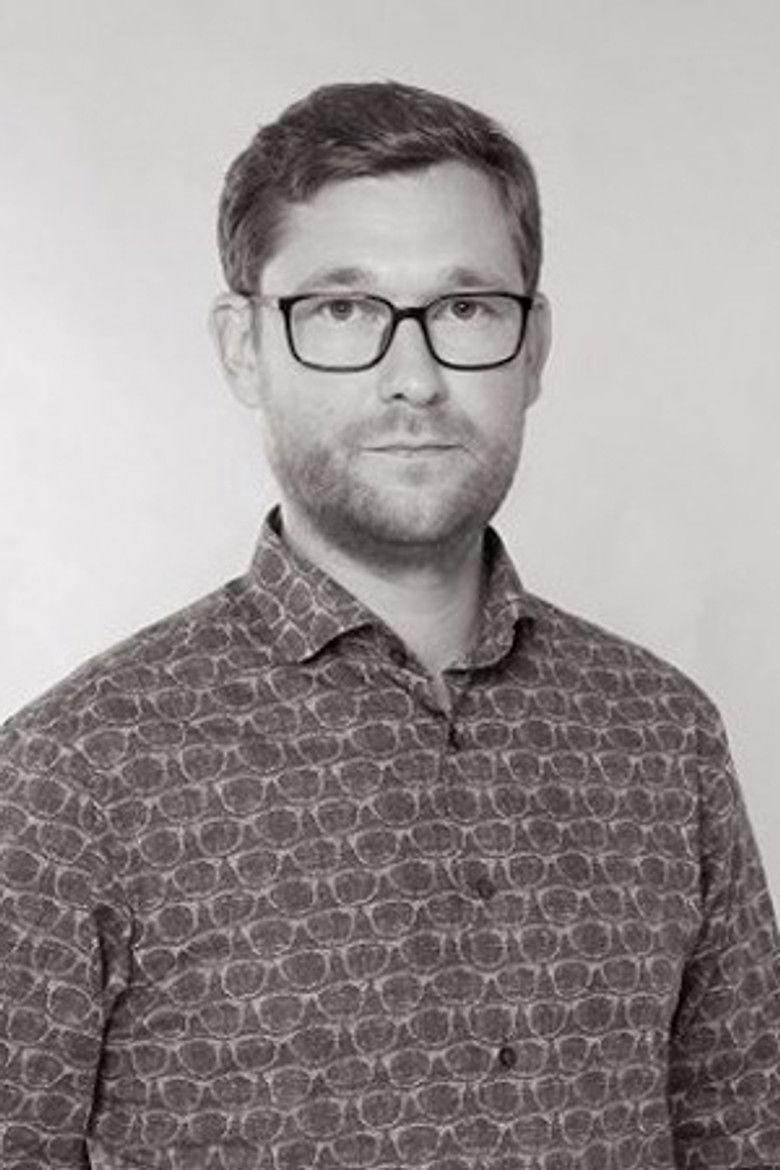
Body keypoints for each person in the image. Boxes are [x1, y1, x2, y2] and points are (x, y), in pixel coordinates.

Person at [1, 80, 778, 1170]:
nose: (413, 378)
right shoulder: (69, 776)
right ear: (243, 346)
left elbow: (742, 1132)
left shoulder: (663, 735)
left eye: (466, 309)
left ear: (533, 347)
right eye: (343, 312)